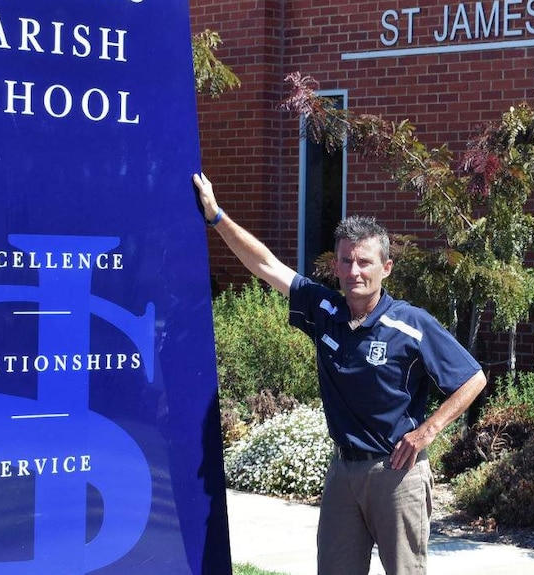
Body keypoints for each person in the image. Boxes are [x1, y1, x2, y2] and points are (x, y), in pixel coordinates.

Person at [193, 173, 486, 575]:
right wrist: (216, 215)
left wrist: (428, 431)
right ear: (336, 265)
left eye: (365, 261)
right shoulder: (325, 310)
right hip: (343, 473)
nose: (354, 271)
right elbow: (264, 264)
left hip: (397, 475)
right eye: (346, 260)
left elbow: (473, 379)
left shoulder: (410, 325)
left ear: (386, 267)